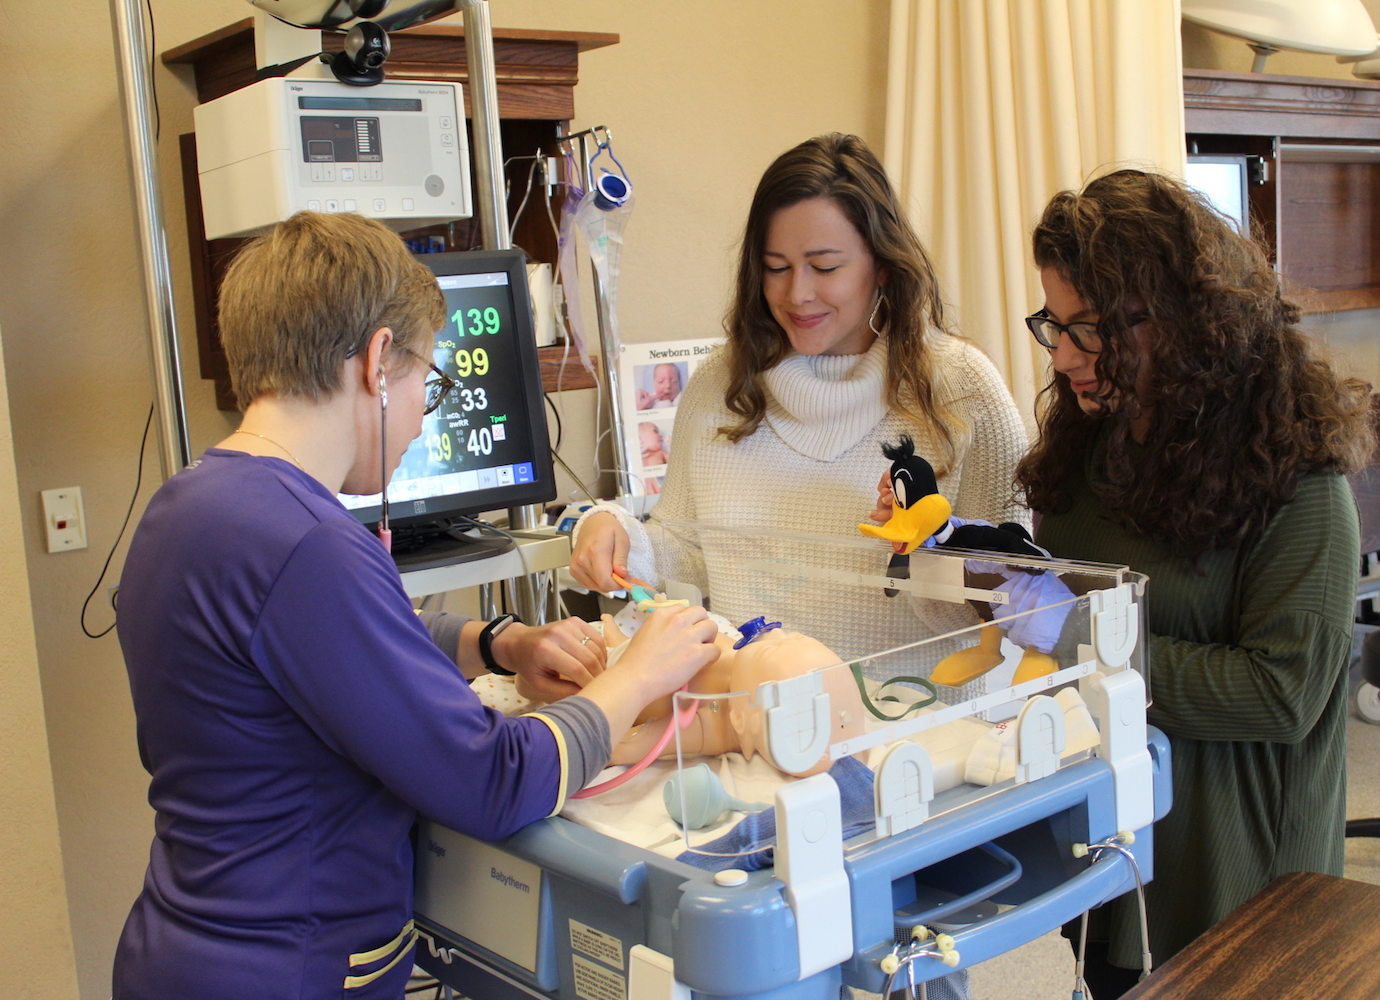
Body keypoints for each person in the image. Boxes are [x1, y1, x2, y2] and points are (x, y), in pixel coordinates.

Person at [111, 212, 720, 1000]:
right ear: (376, 363)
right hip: (287, 969)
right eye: (426, 384)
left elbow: (329, 650)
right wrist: (637, 676)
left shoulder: (191, 505)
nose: (419, 418)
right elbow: (495, 783)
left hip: (181, 947)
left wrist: (494, 642)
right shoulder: (309, 545)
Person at [1017, 170, 1374, 997]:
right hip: (1118, 859)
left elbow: (1281, 695)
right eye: (1055, 326)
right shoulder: (1091, 448)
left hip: (1239, 876)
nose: (1065, 355)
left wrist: (1081, 639)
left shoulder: (1300, 486)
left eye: (1090, 330)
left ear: (1182, 326)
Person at [570, 133, 1029, 660]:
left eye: (825, 267)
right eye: (776, 267)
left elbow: (1018, 596)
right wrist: (615, 529)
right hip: (763, 714)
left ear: (881, 263)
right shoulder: (722, 383)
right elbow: (691, 547)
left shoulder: (962, 390)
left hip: (919, 721)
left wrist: (928, 545)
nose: (797, 295)